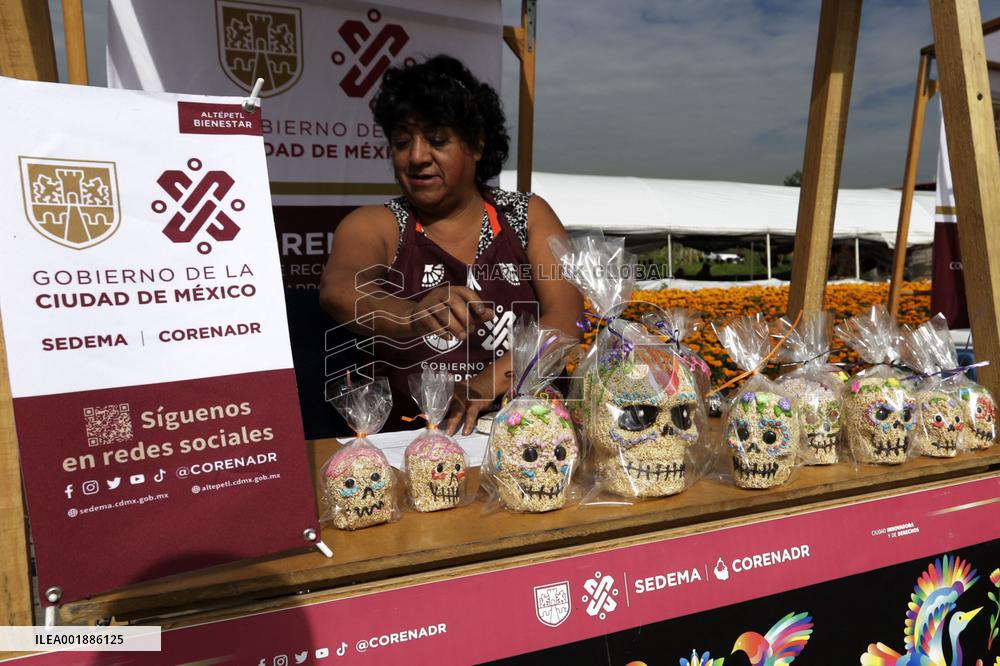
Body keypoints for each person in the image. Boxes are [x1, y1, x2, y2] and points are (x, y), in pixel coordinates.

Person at [320, 55, 582, 436]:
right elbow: (340, 289)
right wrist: (410, 316)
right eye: (402, 142)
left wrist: (483, 384)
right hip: (409, 443)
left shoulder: (527, 217)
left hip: (532, 438)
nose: (417, 156)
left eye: (438, 140)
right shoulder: (378, 224)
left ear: (477, 144)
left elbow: (566, 320)